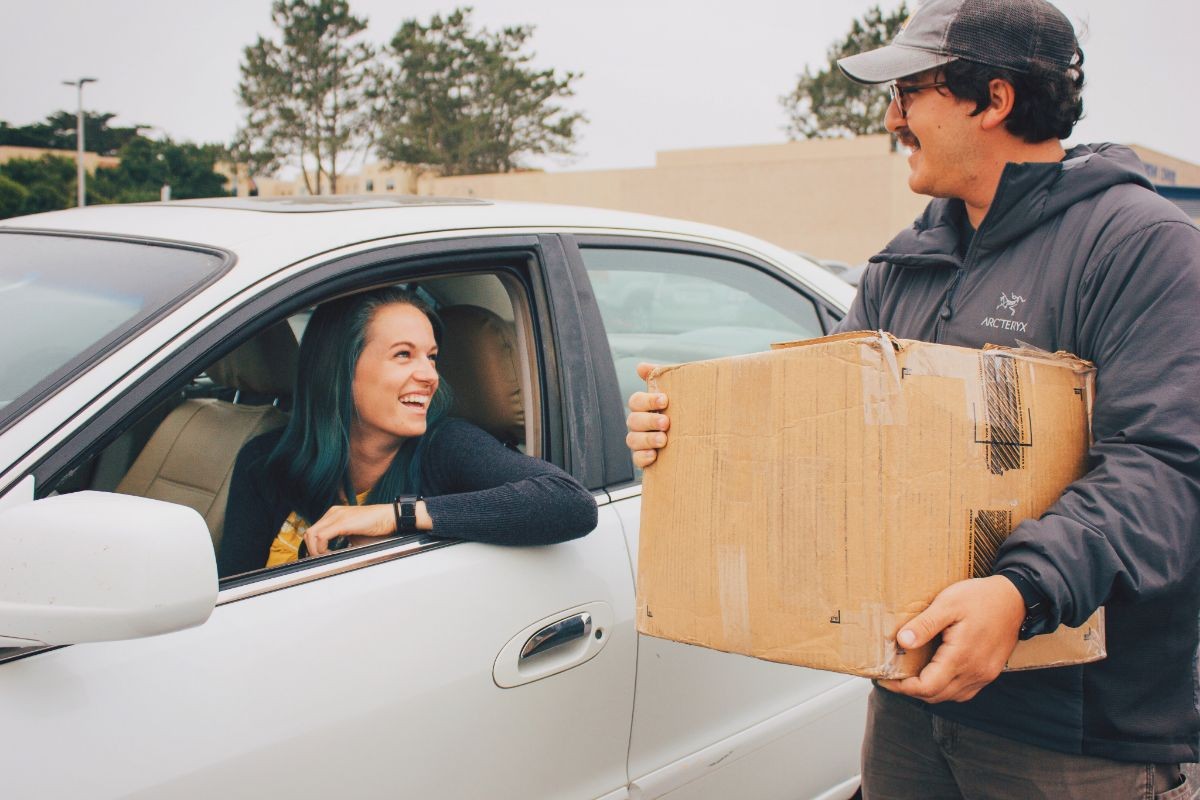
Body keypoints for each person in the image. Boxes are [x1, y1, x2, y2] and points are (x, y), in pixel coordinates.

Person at [627, 0, 1200, 796]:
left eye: (910, 92)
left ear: (994, 99)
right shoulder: (906, 264)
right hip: (908, 705)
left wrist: (1018, 592)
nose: (892, 118)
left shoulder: (1137, 246)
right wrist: (686, 432)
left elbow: (1166, 471)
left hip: (1075, 735)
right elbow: (822, 439)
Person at [218, 286, 597, 578]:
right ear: (340, 369)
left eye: (431, 357)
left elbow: (570, 503)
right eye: (404, 354)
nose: (430, 376)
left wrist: (397, 516)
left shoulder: (445, 447)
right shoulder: (265, 462)